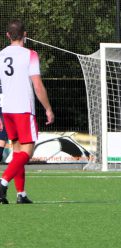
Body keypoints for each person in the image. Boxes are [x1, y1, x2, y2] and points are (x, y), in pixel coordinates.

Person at [0, 19, 55, 204]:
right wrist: (48, 108)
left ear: (8, 35)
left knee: (17, 152)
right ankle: (3, 182)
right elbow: (38, 86)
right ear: (25, 34)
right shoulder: (30, 54)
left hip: (7, 109)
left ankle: (21, 194)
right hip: (23, 109)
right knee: (28, 151)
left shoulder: (1, 55)